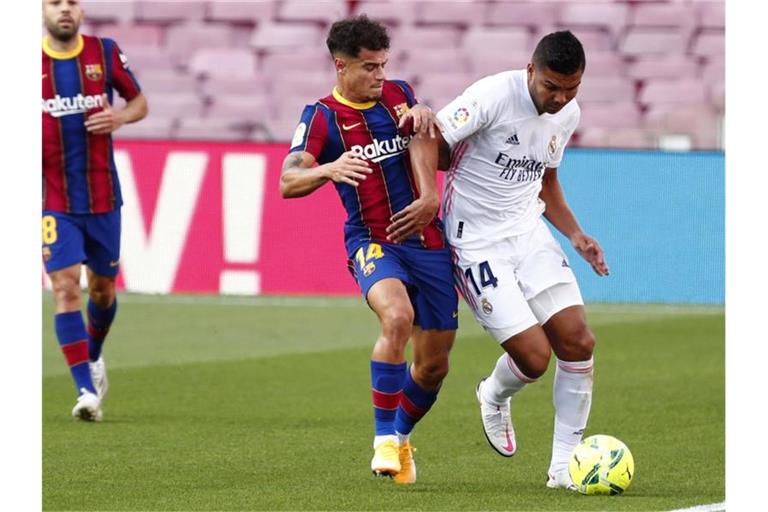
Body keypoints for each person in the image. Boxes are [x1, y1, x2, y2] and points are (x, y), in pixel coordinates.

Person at [280, 15, 457, 485]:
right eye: (369, 68)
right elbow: (287, 180)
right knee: (396, 318)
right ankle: (382, 439)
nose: (380, 76)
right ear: (341, 67)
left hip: (429, 242)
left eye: (383, 65)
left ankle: (400, 438)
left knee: (434, 364)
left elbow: (433, 151)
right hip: (373, 240)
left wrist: (426, 117)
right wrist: (328, 168)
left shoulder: (400, 94)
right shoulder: (320, 117)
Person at [433, 31, 607, 490]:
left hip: (528, 234)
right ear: (531, 70)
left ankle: (564, 468)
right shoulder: (491, 96)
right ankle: (492, 394)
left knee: (579, 342)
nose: (561, 98)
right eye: (552, 86)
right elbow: (429, 141)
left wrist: (575, 234)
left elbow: (545, 177)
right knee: (533, 359)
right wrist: (420, 202)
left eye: (571, 88)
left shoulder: (567, 112)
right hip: (477, 243)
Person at [42, 0, 148, 421]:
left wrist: (119, 117)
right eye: (55, 3)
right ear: (44, 11)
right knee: (66, 287)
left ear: (81, 11)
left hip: (103, 197)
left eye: (71, 2)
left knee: (102, 289)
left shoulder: (103, 52)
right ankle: (85, 390)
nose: (64, 9)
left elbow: (140, 102)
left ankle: (94, 354)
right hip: (54, 201)